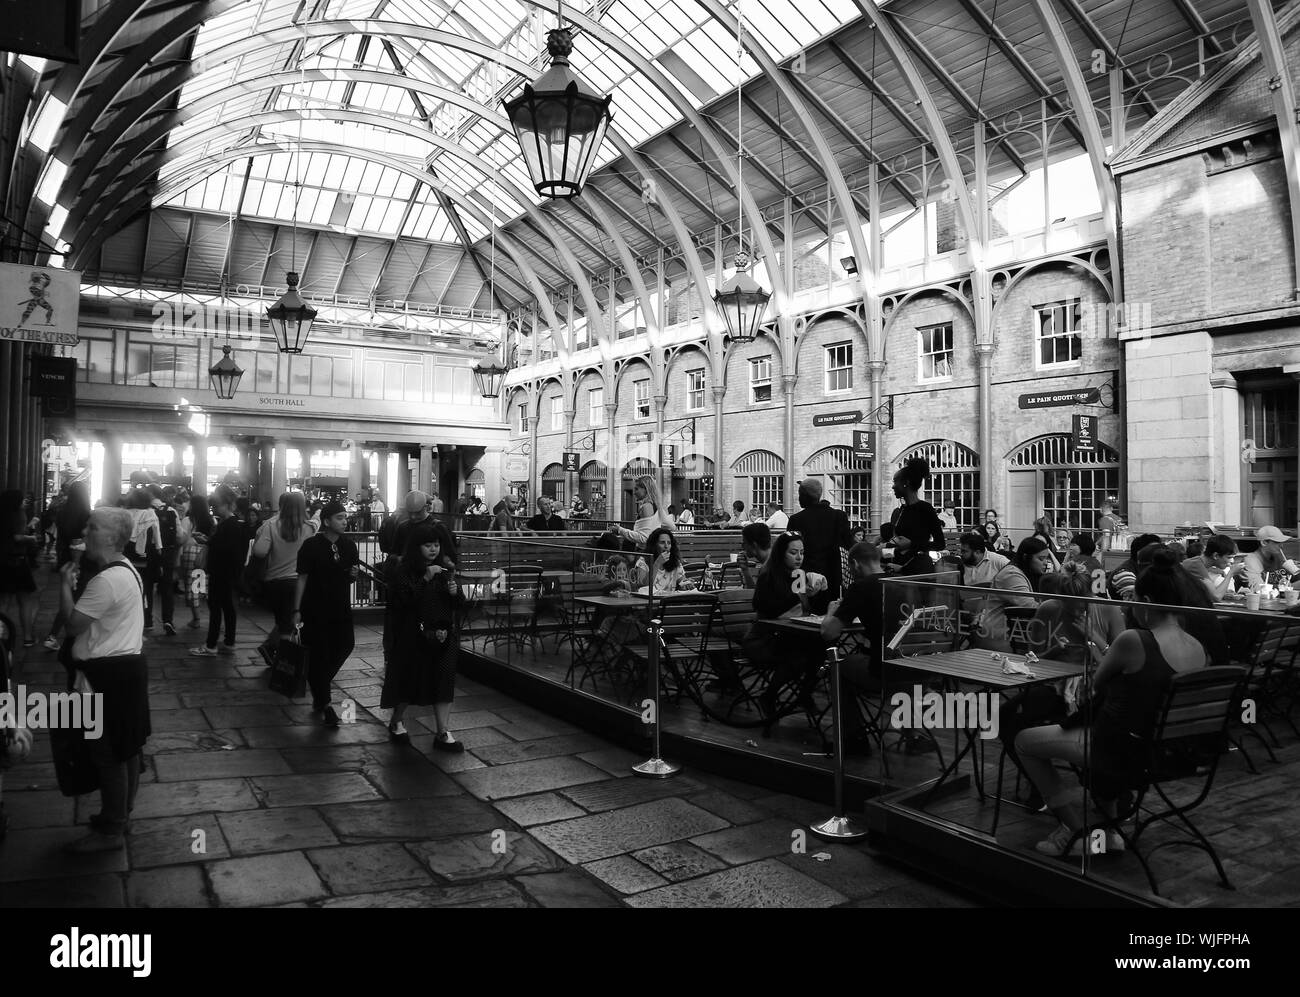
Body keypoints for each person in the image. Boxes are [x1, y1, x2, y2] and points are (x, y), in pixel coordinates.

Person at [1016, 550, 1210, 857]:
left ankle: (1073, 829)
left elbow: (1096, 684)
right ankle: (1109, 830)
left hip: (1124, 751)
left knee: (1024, 741)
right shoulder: (1198, 648)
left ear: (1144, 603)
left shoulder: (1135, 641)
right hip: (1170, 754)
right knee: (1104, 732)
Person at [998, 564, 1126, 811]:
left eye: (1081, 601)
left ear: (1089, 594)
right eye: (1068, 602)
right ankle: (1040, 783)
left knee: (1095, 725)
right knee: (1005, 716)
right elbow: (1030, 658)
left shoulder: (1108, 610)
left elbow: (1117, 666)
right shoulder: (1048, 610)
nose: (1075, 608)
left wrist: (1094, 639)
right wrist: (1054, 650)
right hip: (1055, 686)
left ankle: (1107, 792)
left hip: (1096, 688)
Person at [59, 507, 150, 853]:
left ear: (111, 537)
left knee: (108, 754)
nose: (86, 530)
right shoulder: (127, 571)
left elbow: (72, 626)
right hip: (126, 672)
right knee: (127, 749)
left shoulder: (106, 580)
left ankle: (111, 830)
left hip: (104, 679)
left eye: (93, 527)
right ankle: (121, 815)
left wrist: (64, 586)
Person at [381, 520, 464, 750]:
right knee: (411, 682)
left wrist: (455, 593)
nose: (433, 549)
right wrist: (426, 578)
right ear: (416, 546)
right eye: (427, 545)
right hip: (415, 635)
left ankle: (442, 732)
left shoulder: (445, 570)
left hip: (444, 634)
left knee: (443, 681)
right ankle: (397, 720)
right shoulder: (405, 570)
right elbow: (403, 601)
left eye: (436, 544)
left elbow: (459, 604)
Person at [292, 501, 359, 726]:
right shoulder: (311, 545)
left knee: (346, 644)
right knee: (320, 652)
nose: (344, 521)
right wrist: (297, 609)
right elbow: (302, 578)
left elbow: (348, 577)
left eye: (345, 517)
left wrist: (353, 575)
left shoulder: (349, 546)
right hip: (315, 607)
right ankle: (325, 703)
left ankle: (318, 683)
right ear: (327, 521)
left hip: (340, 606)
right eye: (339, 517)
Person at [749, 531, 827, 717]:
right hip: (764, 639)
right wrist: (801, 597)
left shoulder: (798, 575)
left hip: (790, 636)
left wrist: (818, 593)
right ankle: (770, 695)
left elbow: (804, 608)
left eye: (802, 552)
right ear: (781, 553)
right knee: (801, 655)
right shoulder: (769, 575)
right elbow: (765, 607)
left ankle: (804, 695)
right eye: (793, 552)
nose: (799, 557)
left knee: (824, 647)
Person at [821, 540, 889, 754]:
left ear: (856, 564)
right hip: (918, 669)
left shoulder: (861, 587)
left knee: (837, 666)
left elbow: (829, 632)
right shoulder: (903, 581)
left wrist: (831, 612)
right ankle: (912, 733)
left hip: (884, 671)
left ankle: (853, 737)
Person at [252, 492, 315, 667]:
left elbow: (259, 552)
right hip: (300, 582)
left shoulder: (270, 526)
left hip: (274, 582)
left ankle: (271, 649)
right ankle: (285, 666)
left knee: (284, 620)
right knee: (288, 623)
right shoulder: (309, 528)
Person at [189, 485, 244, 656]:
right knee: (228, 607)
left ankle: (211, 645)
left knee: (216, 607)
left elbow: (224, 549)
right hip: (228, 573)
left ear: (226, 504)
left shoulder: (228, 525)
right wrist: (209, 540)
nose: (214, 508)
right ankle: (229, 641)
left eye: (217, 504)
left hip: (221, 572)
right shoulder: (231, 524)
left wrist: (208, 542)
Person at [787, 478, 852, 614]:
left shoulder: (796, 519)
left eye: (799, 494)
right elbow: (848, 545)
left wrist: (795, 583)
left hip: (804, 577)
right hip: (833, 578)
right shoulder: (839, 516)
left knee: (802, 616)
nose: (798, 498)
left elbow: (790, 552)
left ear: (804, 495)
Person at [42, 480, 92, 650]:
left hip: (65, 557)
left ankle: (55, 635)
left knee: (69, 597)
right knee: (78, 599)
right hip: (82, 559)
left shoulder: (63, 512)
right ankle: (56, 635)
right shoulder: (86, 513)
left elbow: (60, 536)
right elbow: (84, 538)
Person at [882, 458, 946, 576]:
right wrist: (882, 551)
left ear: (906, 483)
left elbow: (940, 543)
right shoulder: (901, 510)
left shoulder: (925, 509)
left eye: (896, 482)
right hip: (900, 568)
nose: (893, 486)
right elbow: (900, 547)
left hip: (918, 569)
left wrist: (912, 544)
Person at [0, 490, 39, 647]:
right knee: (25, 600)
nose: (24, 502)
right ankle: (28, 637)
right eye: (22, 499)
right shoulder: (19, 514)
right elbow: (17, 537)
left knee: (4, 601)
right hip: (18, 561)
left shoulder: (3, 514)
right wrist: (32, 537)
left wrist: (29, 527)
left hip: (2, 561)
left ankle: (1, 634)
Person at [144, 484, 180, 635]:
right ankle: (167, 620)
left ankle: (147, 621)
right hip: (167, 554)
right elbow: (179, 535)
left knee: (147, 588)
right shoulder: (171, 511)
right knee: (167, 588)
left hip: (148, 555)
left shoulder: (145, 512)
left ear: (151, 495)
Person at [180, 493, 215, 630]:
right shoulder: (212, 521)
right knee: (204, 585)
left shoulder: (188, 520)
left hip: (190, 553)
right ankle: (213, 615)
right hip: (206, 553)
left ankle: (196, 619)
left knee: (193, 587)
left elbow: (182, 538)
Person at [608, 475, 672, 548]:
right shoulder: (658, 506)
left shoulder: (646, 507)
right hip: (653, 550)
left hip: (645, 552)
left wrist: (620, 530)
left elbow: (644, 538)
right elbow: (671, 527)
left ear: (645, 489)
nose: (634, 492)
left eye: (636, 489)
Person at [1181, 534, 1245, 602]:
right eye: (1229, 557)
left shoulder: (1199, 563)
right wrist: (1231, 573)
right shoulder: (1196, 566)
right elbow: (1216, 597)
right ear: (1216, 555)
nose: (1232, 561)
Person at [631, 527, 694, 594]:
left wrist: (687, 584)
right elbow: (645, 587)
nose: (666, 546)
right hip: (650, 602)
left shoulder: (675, 561)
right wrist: (657, 563)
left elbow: (682, 582)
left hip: (669, 601)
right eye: (662, 543)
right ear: (654, 545)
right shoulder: (643, 561)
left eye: (669, 543)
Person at [1107, 533, 1162, 601]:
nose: (1162, 553)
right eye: (1156, 550)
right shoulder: (1124, 573)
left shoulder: (1154, 571)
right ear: (1140, 553)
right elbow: (1137, 603)